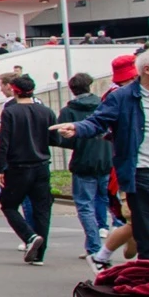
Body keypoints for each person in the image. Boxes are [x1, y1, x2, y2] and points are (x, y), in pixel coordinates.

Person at [54, 48, 149, 286]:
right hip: (144, 175)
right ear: (147, 70)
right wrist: (78, 128)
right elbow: (99, 121)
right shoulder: (123, 97)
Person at [52, 73, 112, 269]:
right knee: (104, 196)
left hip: (83, 160)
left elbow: (63, 139)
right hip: (106, 157)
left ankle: (94, 246)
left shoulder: (68, 111)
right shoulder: (103, 105)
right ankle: (103, 227)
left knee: (84, 204)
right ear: (90, 85)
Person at [0, 74, 57, 264]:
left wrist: (0, 168)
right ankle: (40, 255)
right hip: (42, 166)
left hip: (19, 167)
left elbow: (4, 143)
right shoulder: (46, 112)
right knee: (42, 209)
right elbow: (54, 139)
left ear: (14, 90)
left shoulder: (10, 112)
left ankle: (29, 236)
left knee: (8, 204)